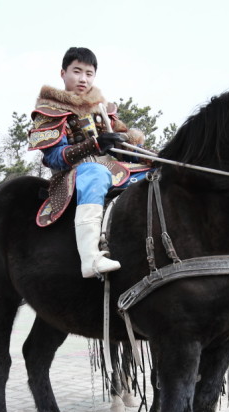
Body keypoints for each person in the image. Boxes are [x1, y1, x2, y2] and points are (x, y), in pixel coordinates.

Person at [28, 47, 149, 278]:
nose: (83, 78)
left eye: (89, 73)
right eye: (77, 71)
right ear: (63, 73)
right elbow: (53, 157)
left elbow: (124, 147)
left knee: (151, 175)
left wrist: (152, 157)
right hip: (73, 174)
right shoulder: (49, 111)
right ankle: (91, 258)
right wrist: (94, 145)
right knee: (96, 172)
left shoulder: (102, 109)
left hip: (111, 168)